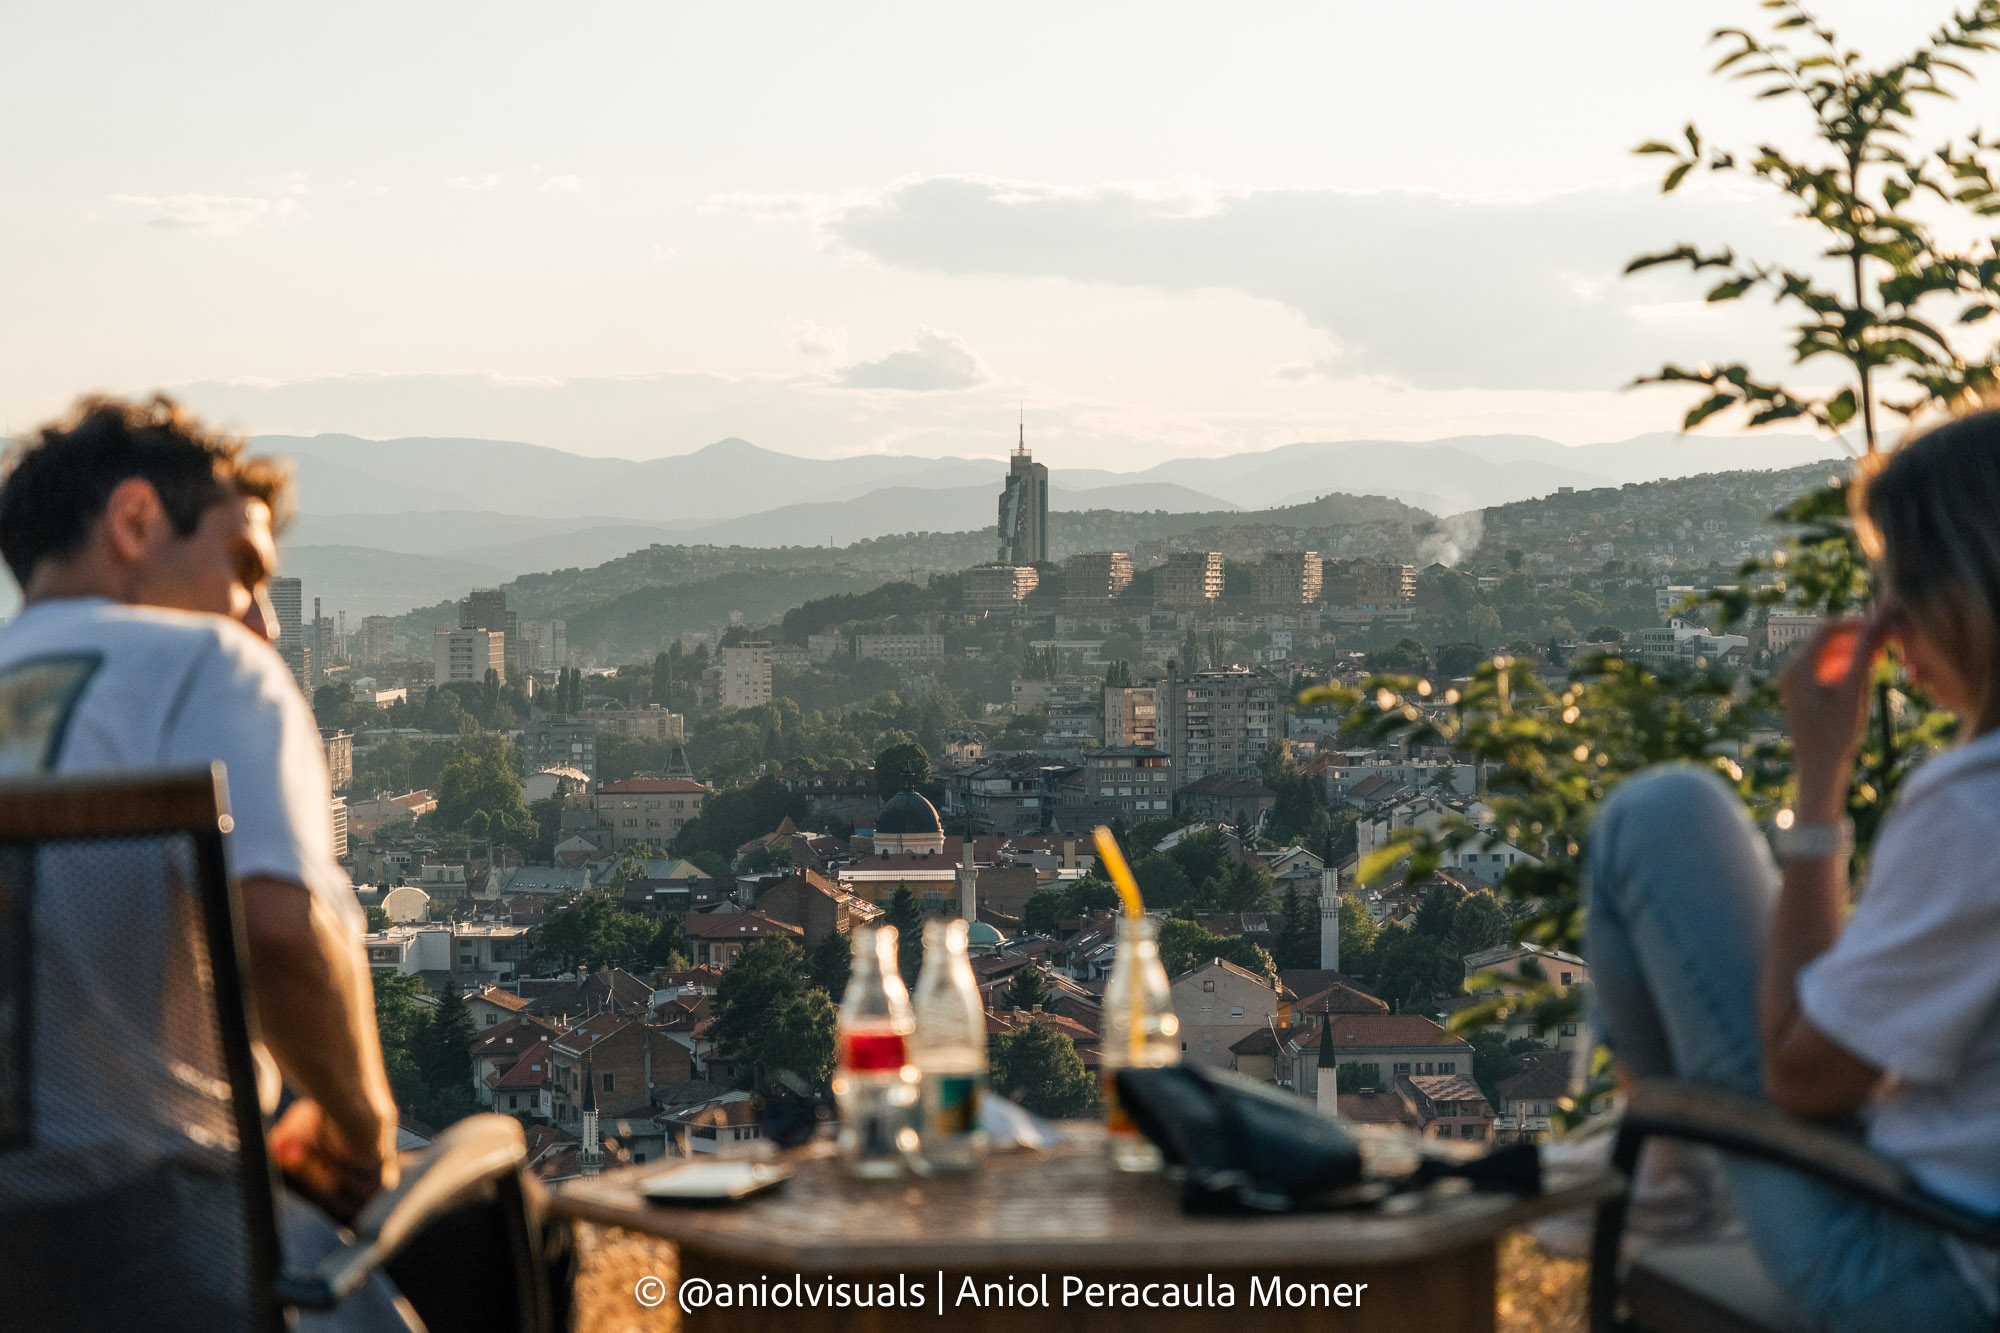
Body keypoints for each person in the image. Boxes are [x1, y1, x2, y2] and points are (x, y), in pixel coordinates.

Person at [0, 395, 412, 1330]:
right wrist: (361, 1128)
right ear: (135, 519)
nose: (259, 619)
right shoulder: (209, 667)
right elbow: (280, 934)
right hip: (166, 1258)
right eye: (243, 567)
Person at [1588, 403, 2000, 1331]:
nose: (1886, 624)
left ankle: (1673, 1180)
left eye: (1901, 589)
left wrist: (1820, 779)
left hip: (1918, 1267)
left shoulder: (1977, 806)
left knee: (1661, 815)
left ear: (1969, 593)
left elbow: (1805, 1079)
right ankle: (1675, 1180)